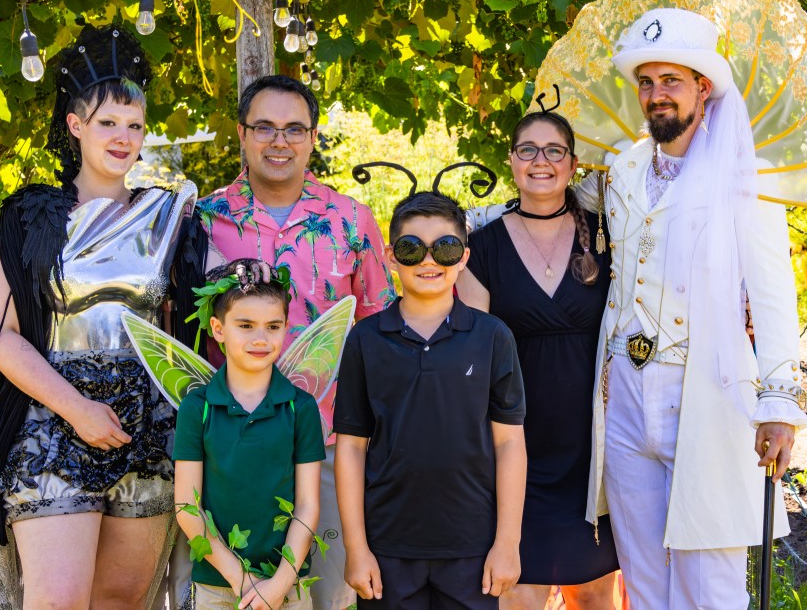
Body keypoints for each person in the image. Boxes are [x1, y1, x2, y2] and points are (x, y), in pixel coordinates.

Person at [583, 8, 807, 608]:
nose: (656, 94)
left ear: (703, 88)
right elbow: (546, 197)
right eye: (646, 82)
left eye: (672, 81)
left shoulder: (746, 176)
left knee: (710, 585)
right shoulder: (623, 167)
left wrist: (778, 403)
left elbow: (773, 293)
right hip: (624, 393)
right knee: (643, 578)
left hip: (705, 392)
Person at [0, 25, 197, 609]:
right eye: (107, 123)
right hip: (54, 421)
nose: (123, 137)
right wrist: (77, 409)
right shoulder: (32, 215)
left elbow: (195, 320)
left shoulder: (167, 215)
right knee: (59, 601)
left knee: (122, 601)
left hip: (147, 428)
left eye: (134, 125)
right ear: (75, 125)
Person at [194, 74, 395, 610]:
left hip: (329, 441)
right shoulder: (202, 221)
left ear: (312, 137)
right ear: (242, 133)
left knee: (326, 596)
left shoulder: (351, 220)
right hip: (228, 447)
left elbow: (380, 330)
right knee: (230, 594)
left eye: (294, 129)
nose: (278, 141)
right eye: (264, 127)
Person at [456, 111, 621, 609]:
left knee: (593, 595)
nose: (540, 161)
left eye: (554, 151)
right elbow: (471, 355)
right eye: (528, 149)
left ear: (572, 164)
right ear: (511, 161)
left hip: (593, 448)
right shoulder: (481, 247)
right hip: (515, 447)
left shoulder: (608, 237)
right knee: (518, 594)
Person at [334, 191, 527, 609]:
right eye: (411, 248)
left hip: (473, 548)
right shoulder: (365, 340)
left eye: (445, 248)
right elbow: (350, 447)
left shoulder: (492, 336)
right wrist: (356, 547)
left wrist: (507, 543)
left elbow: (510, 443)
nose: (428, 260)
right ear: (391, 256)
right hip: (387, 547)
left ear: (463, 257)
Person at [173, 259, 325, 610]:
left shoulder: (300, 407)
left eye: (273, 326)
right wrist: (241, 579)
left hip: (288, 584)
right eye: (245, 325)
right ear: (218, 328)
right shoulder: (198, 407)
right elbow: (187, 507)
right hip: (217, 584)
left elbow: (307, 505)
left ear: (285, 327)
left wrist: (280, 583)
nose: (261, 338)